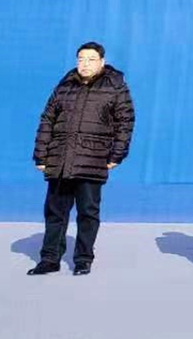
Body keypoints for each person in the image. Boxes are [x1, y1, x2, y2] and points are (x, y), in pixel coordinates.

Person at [28, 41, 135, 276]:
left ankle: (83, 259)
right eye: (81, 59)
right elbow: (47, 120)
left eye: (91, 59)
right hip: (60, 159)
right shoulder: (64, 86)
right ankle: (49, 259)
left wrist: (117, 154)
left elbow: (125, 122)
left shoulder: (115, 86)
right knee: (55, 213)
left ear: (102, 62)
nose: (85, 64)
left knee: (88, 213)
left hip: (92, 159)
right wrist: (41, 155)